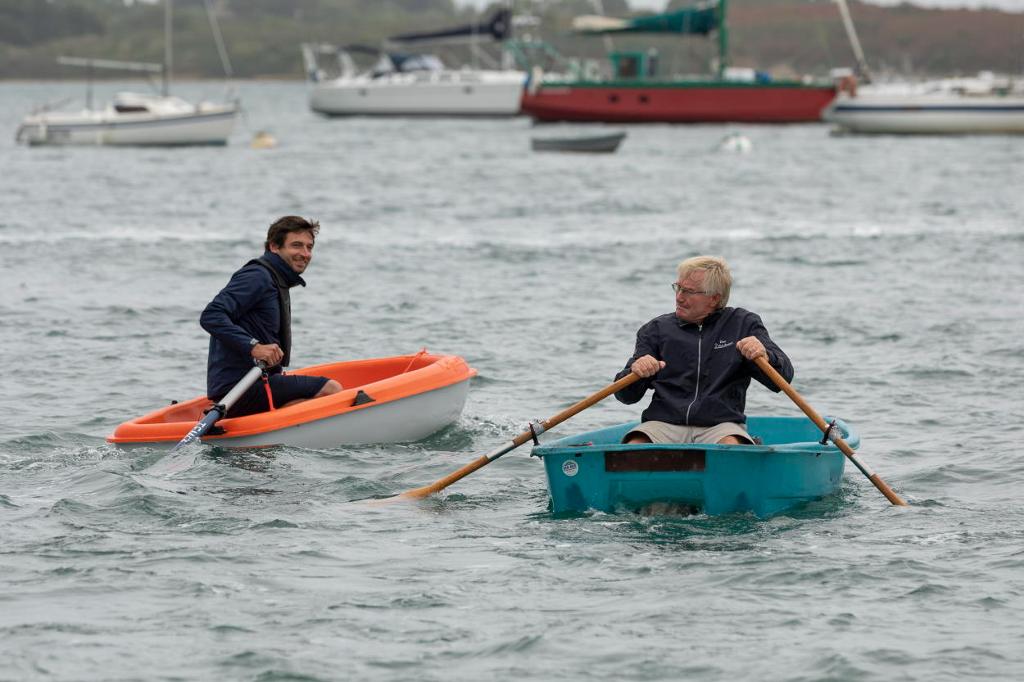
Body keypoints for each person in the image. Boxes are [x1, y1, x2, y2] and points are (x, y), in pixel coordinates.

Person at [614, 255, 793, 445]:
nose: (679, 297)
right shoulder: (656, 330)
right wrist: (636, 371)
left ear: (714, 298)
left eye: (688, 291)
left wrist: (765, 355)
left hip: (720, 426)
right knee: (635, 447)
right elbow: (625, 396)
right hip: (664, 423)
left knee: (730, 446)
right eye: (678, 287)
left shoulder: (744, 324)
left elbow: (783, 381)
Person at [200, 215, 341, 418]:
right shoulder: (257, 276)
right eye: (297, 245)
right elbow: (211, 315)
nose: (305, 253)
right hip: (240, 388)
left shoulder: (275, 278)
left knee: (306, 397)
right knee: (331, 389)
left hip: (256, 381)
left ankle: (266, 434)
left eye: (309, 247)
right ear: (274, 247)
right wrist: (254, 347)